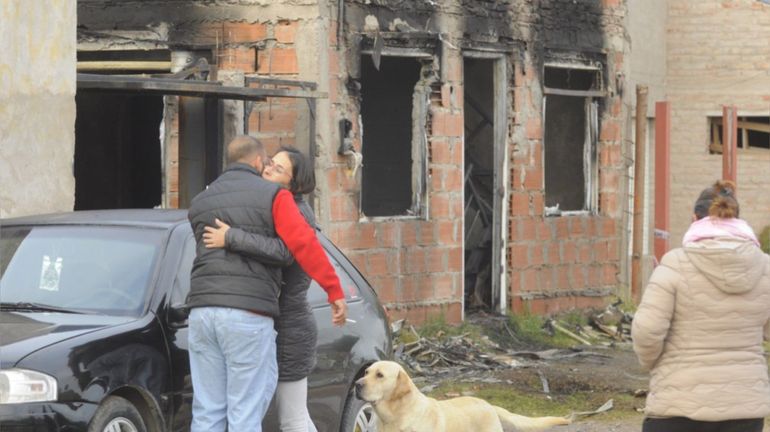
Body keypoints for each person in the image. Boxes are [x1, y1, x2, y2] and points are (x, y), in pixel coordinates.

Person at [186, 136, 348, 432]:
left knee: (208, 413)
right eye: (270, 163)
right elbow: (302, 247)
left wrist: (232, 237)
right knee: (244, 414)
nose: (270, 169)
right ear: (258, 161)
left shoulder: (201, 200)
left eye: (278, 167)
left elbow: (289, 251)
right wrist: (333, 290)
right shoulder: (273, 198)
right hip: (248, 315)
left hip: (201, 312)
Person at [632, 180, 770, 432]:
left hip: (678, 406)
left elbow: (646, 331)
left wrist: (654, 364)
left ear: (695, 218)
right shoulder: (765, 267)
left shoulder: (675, 263)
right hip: (744, 411)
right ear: (737, 219)